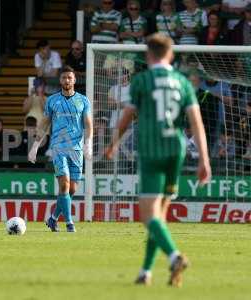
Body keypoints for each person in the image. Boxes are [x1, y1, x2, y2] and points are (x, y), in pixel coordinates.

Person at [105, 33, 211, 286]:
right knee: (159, 216)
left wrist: (113, 143)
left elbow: (128, 116)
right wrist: (204, 159)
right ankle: (146, 272)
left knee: (148, 215)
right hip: (177, 148)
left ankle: (174, 256)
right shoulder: (182, 82)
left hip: (152, 148)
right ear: (171, 55)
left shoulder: (141, 80)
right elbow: (196, 123)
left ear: (148, 55)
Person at [28, 66, 93, 233]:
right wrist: (35, 146)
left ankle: (53, 218)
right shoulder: (52, 100)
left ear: (74, 80)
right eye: (64, 77)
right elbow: (44, 123)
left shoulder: (83, 100)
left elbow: (87, 123)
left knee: (72, 189)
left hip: (77, 150)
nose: (67, 80)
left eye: (70, 78)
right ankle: (70, 223)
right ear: (60, 80)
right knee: (63, 186)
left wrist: (88, 143)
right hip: (58, 148)